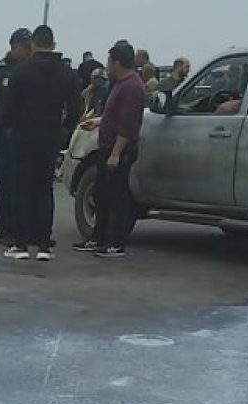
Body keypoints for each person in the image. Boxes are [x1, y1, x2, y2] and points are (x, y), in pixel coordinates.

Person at [2, 24, 80, 262]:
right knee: (45, 189)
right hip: (50, 135)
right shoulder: (67, 73)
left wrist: (9, 129)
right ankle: (45, 245)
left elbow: (8, 109)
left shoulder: (21, 71)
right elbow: (76, 108)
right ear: (54, 45)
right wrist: (64, 129)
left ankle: (21, 244)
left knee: (22, 189)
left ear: (33, 44)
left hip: (24, 135)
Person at [74, 42, 144, 258]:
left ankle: (116, 242)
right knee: (102, 194)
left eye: (109, 61)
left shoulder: (132, 87)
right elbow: (114, 115)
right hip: (107, 147)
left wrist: (116, 153)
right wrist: (98, 121)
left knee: (117, 196)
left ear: (117, 62)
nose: (107, 66)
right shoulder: (119, 84)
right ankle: (98, 237)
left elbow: (128, 125)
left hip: (118, 150)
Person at [0, 29, 33, 247]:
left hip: (25, 134)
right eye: (25, 46)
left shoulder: (31, 68)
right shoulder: (1, 69)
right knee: (5, 184)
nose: (28, 50)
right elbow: (2, 97)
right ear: (15, 46)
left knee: (24, 184)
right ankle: (5, 230)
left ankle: (24, 229)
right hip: (5, 135)